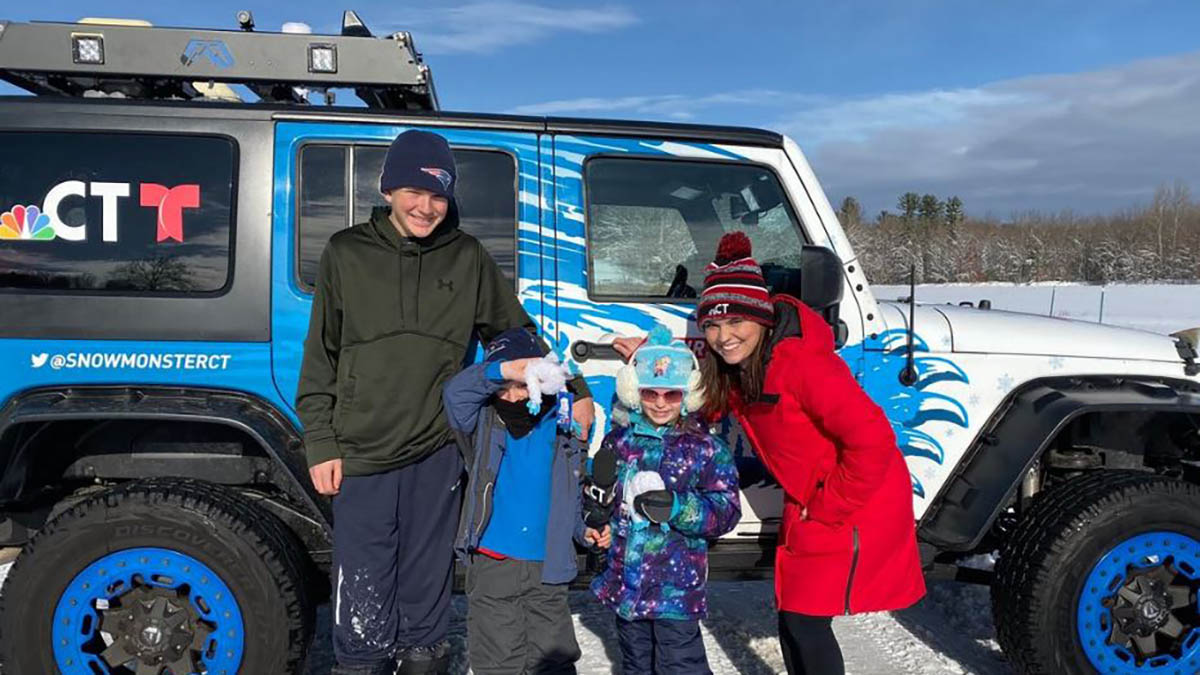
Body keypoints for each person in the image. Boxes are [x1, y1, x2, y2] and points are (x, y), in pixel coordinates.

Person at [296, 129, 592, 675]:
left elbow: (517, 335)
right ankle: (360, 666)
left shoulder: (467, 256)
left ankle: (422, 662)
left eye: (438, 196)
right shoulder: (346, 252)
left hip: (438, 450)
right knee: (362, 584)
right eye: (415, 190)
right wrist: (320, 441)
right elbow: (322, 356)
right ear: (388, 189)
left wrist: (571, 389)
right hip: (361, 448)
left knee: (426, 583)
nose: (426, 207)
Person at [615, 232, 925, 675]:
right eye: (713, 326)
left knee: (806, 619)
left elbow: (873, 439)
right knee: (794, 614)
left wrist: (826, 506)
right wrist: (651, 358)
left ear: (761, 319)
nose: (723, 337)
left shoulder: (801, 363)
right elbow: (699, 397)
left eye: (735, 324)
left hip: (852, 497)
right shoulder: (741, 369)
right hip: (811, 500)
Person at [442, 327, 611, 675]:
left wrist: (584, 531)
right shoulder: (484, 422)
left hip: (547, 567)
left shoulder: (564, 426)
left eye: (524, 386)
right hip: (494, 563)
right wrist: (507, 371)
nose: (514, 397)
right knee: (499, 662)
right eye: (503, 389)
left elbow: (570, 493)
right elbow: (455, 394)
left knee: (554, 660)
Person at [592, 324, 740, 675]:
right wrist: (600, 527)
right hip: (628, 585)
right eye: (650, 393)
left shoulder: (705, 448)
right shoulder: (619, 442)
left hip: (675, 591)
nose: (660, 403)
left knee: (681, 666)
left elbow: (726, 511)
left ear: (686, 395)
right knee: (636, 665)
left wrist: (680, 508)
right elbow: (608, 498)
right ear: (635, 392)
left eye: (671, 395)